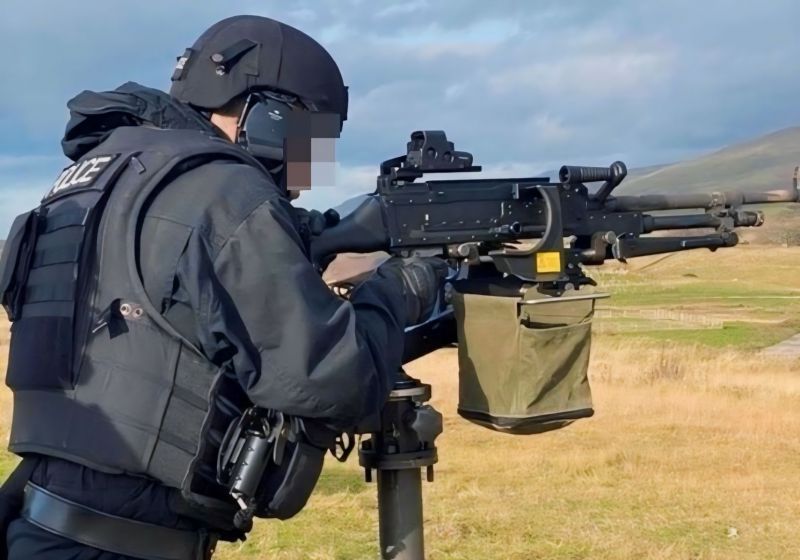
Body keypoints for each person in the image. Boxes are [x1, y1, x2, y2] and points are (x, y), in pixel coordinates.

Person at [0, 15, 447, 560]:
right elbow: (330, 382)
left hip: (38, 523)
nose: (308, 172)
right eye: (313, 140)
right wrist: (400, 287)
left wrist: (321, 237)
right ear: (269, 117)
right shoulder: (226, 190)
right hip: (129, 544)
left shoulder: (89, 182)